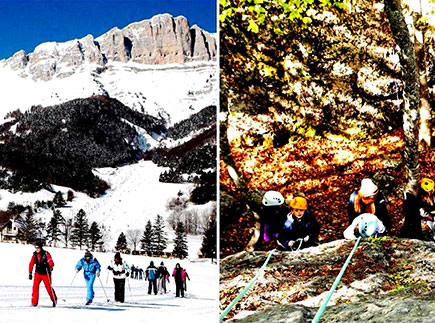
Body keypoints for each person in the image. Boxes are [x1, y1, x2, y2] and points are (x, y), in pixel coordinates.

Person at [28, 241, 57, 307]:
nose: (37, 249)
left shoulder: (46, 254)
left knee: (48, 288)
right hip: (38, 273)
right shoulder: (34, 255)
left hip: (45, 274)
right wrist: (30, 272)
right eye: (35, 248)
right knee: (35, 287)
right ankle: (34, 302)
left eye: (38, 248)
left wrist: (50, 266)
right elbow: (31, 263)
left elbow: (51, 262)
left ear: (41, 248)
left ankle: (54, 300)